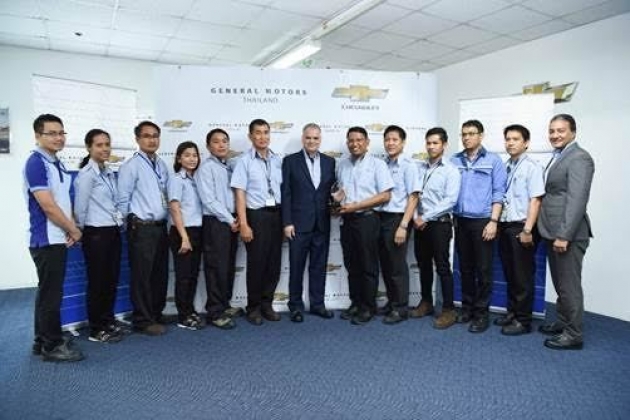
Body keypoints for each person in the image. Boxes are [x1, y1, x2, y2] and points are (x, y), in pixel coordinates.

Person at [24, 114, 84, 362]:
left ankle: (42, 340)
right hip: (46, 239)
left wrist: (68, 228)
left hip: (57, 236)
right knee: (51, 295)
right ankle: (52, 346)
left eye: (61, 133)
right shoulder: (36, 163)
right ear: (38, 136)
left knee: (47, 291)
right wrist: (73, 229)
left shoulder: (55, 162)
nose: (59, 138)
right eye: (52, 133)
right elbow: (48, 206)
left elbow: (62, 201)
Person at [537, 114, 594, 350]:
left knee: (569, 285)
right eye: (552, 131)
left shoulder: (580, 157)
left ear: (573, 132)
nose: (555, 135)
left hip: (567, 233)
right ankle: (563, 321)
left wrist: (564, 235)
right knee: (561, 284)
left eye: (561, 130)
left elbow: (577, 199)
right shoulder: (559, 156)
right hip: (553, 230)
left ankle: (573, 334)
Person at [451, 120, 507, 333]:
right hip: (460, 221)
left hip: (483, 221)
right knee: (465, 268)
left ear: (481, 136)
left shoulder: (493, 160)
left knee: (483, 270)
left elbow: (499, 192)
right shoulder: (454, 160)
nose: (466, 138)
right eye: (464, 134)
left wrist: (493, 221)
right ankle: (467, 309)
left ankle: (481, 314)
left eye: (471, 133)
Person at [336, 126, 393, 325]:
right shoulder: (342, 165)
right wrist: (336, 200)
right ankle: (356, 303)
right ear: (347, 143)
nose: (355, 144)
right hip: (347, 220)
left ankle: (368, 307)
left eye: (359, 140)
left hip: (367, 219)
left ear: (367, 142)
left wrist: (357, 206)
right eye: (351, 140)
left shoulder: (378, 165)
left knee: (368, 265)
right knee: (352, 265)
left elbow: (385, 195)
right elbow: (341, 192)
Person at [117, 121, 170, 336]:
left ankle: (155, 314)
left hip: (160, 226)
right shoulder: (131, 166)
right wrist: (128, 225)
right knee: (142, 276)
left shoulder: (161, 164)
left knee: (159, 274)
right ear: (137, 139)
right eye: (147, 136)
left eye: (155, 136)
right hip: (141, 228)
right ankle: (142, 320)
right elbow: (122, 199)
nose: (152, 140)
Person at [281, 123, 336, 323]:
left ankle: (318, 304)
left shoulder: (330, 162)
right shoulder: (290, 161)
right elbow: (286, 193)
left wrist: (336, 199)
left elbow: (330, 191)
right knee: (296, 267)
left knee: (319, 266)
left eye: (315, 138)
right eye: (308, 137)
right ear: (302, 139)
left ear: (320, 140)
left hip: (322, 224)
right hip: (298, 224)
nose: (312, 141)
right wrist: (287, 222)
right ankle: (295, 306)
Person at [231, 119, 283, 326]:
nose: (263, 137)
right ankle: (253, 307)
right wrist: (244, 224)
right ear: (250, 136)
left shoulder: (277, 160)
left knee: (273, 264)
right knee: (257, 264)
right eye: (258, 133)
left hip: (276, 215)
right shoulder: (244, 161)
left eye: (266, 132)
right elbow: (240, 194)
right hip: (256, 216)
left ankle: (267, 304)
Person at [74, 129, 124, 343]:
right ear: (89, 148)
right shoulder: (87, 174)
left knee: (111, 279)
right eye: (99, 145)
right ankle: (96, 328)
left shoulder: (108, 172)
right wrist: (80, 231)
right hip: (95, 233)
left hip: (112, 230)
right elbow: (80, 208)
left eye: (107, 144)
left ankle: (108, 320)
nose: (105, 149)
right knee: (98, 282)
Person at [495, 124, 545, 336]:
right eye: (508, 139)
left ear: (526, 143)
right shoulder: (506, 166)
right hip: (506, 225)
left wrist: (527, 230)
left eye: (515, 139)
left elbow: (536, 200)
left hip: (522, 226)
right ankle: (512, 312)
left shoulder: (532, 167)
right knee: (510, 272)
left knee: (522, 276)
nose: (510, 143)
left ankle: (523, 321)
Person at [412, 127, 461, 329]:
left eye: (435, 143)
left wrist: (424, 217)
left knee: (442, 266)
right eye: (429, 143)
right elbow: (414, 195)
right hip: (420, 224)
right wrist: (416, 217)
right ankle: (426, 303)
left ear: (444, 145)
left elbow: (450, 201)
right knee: (423, 264)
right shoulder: (420, 168)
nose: (431, 146)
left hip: (439, 224)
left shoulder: (451, 170)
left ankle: (449, 309)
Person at [195, 129, 240, 330]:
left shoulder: (228, 166)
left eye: (225, 141)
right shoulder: (206, 168)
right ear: (208, 146)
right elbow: (209, 200)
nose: (221, 145)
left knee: (227, 266)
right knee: (215, 268)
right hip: (216, 223)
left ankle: (224, 304)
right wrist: (230, 219)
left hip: (230, 222)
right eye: (216, 141)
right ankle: (214, 312)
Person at [377, 125, 419, 324]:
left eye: (395, 140)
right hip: (382, 218)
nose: (390, 143)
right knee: (386, 264)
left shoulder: (408, 165)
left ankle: (401, 308)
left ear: (403, 142)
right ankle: (392, 302)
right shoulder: (383, 164)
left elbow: (413, 196)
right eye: (387, 139)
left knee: (397, 265)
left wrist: (403, 225)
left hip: (398, 219)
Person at [168, 141, 205, 331]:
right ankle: (183, 316)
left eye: (195, 155)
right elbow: (175, 208)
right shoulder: (176, 179)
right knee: (183, 276)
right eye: (187, 155)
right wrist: (184, 237)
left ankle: (190, 310)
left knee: (192, 275)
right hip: (182, 232)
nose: (192, 159)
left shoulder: (196, 179)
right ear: (179, 158)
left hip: (197, 231)